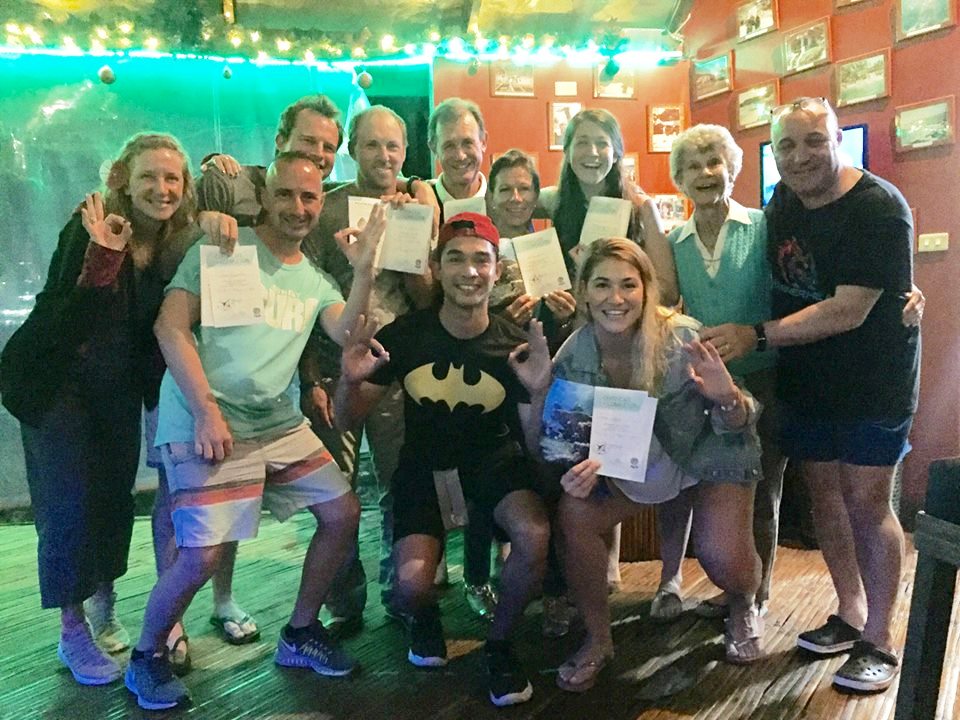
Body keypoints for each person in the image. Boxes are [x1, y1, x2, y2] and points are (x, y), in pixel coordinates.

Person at [125, 152, 384, 711]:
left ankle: (300, 632)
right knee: (201, 556)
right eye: (285, 193)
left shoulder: (313, 277)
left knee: (342, 513)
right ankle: (146, 655)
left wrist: (364, 270)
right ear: (264, 196)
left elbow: (345, 331)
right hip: (206, 415)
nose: (297, 207)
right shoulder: (224, 248)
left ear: (320, 203)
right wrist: (205, 411)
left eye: (309, 197)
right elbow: (169, 327)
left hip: (275, 421)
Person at [702, 97, 921, 693]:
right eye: (787, 146)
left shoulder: (879, 208)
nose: (800, 157)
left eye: (814, 141)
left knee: (868, 504)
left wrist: (756, 335)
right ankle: (850, 612)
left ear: (838, 141)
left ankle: (880, 638)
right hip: (807, 381)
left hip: (874, 381)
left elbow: (848, 309)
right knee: (824, 498)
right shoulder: (783, 202)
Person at [0, 133, 200, 687]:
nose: (161, 188)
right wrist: (104, 255)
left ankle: (105, 607)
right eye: (148, 176)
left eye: (172, 178)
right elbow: (67, 320)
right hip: (56, 387)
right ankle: (72, 630)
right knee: (66, 506)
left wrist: (221, 166)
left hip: (115, 390)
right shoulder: (89, 224)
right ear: (123, 181)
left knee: (113, 500)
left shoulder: (174, 240)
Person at [525, 238, 765, 693]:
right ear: (583, 291)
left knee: (724, 560)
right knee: (574, 515)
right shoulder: (574, 353)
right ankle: (598, 640)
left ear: (647, 289)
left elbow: (743, 419)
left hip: (711, 452)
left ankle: (743, 601)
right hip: (634, 465)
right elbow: (553, 448)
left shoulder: (684, 336)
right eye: (602, 284)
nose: (615, 298)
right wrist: (571, 462)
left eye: (628, 285)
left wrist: (728, 397)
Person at [333, 212, 551, 707]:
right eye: (455, 259)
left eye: (481, 260)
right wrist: (348, 380)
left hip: (493, 461)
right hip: (424, 465)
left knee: (534, 535)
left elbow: (535, 444)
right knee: (410, 587)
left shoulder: (514, 344)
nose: (469, 271)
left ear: (497, 270)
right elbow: (347, 420)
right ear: (435, 267)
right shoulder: (405, 335)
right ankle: (425, 617)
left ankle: (500, 644)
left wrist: (539, 392)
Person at [641, 124, 784, 621]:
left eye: (713, 162)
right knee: (711, 489)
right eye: (692, 167)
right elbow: (662, 300)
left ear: (731, 169)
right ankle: (732, 585)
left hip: (763, 378)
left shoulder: (764, 226)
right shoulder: (674, 242)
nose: (704, 173)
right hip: (702, 385)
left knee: (761, 489)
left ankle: (756, 595)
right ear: (679, 180)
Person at [303, 105, 437, 631]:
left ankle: (396, 590)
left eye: (393, 146)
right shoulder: (326, 208)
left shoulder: (415, 204)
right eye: (372, 145)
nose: (383, 155)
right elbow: (303, 293)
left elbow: (425, 299)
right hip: (331, 367)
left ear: (405, 152)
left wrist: (411, 236)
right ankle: (344, 600)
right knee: (334, 490)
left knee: (397, 483)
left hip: (393, 368)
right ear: (352, 150)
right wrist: (310, 378)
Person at [539, 107, 674, 591]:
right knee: (573, 447)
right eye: (582, 142)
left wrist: (648, 215)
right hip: (565, 338)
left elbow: (666, 286)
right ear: (567, 151)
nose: (592, 153)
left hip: (620, 340)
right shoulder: (551, 201)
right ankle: (564, 564)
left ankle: (611, 559)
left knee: (613, 442)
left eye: (602, 143)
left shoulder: (637, 205)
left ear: (617, 151)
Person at [487, 149, 578, 637]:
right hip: (495, 383)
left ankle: (557, 588)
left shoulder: (550, 247)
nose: (516, 197)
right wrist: (502, 319)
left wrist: (566, 311)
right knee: (504, 479)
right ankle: (499, 581)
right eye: (506, 189)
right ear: (491, 196)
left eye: (525, 188)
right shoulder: (478, 248)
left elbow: (566, 329)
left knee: (551, 477)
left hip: (546, 382)